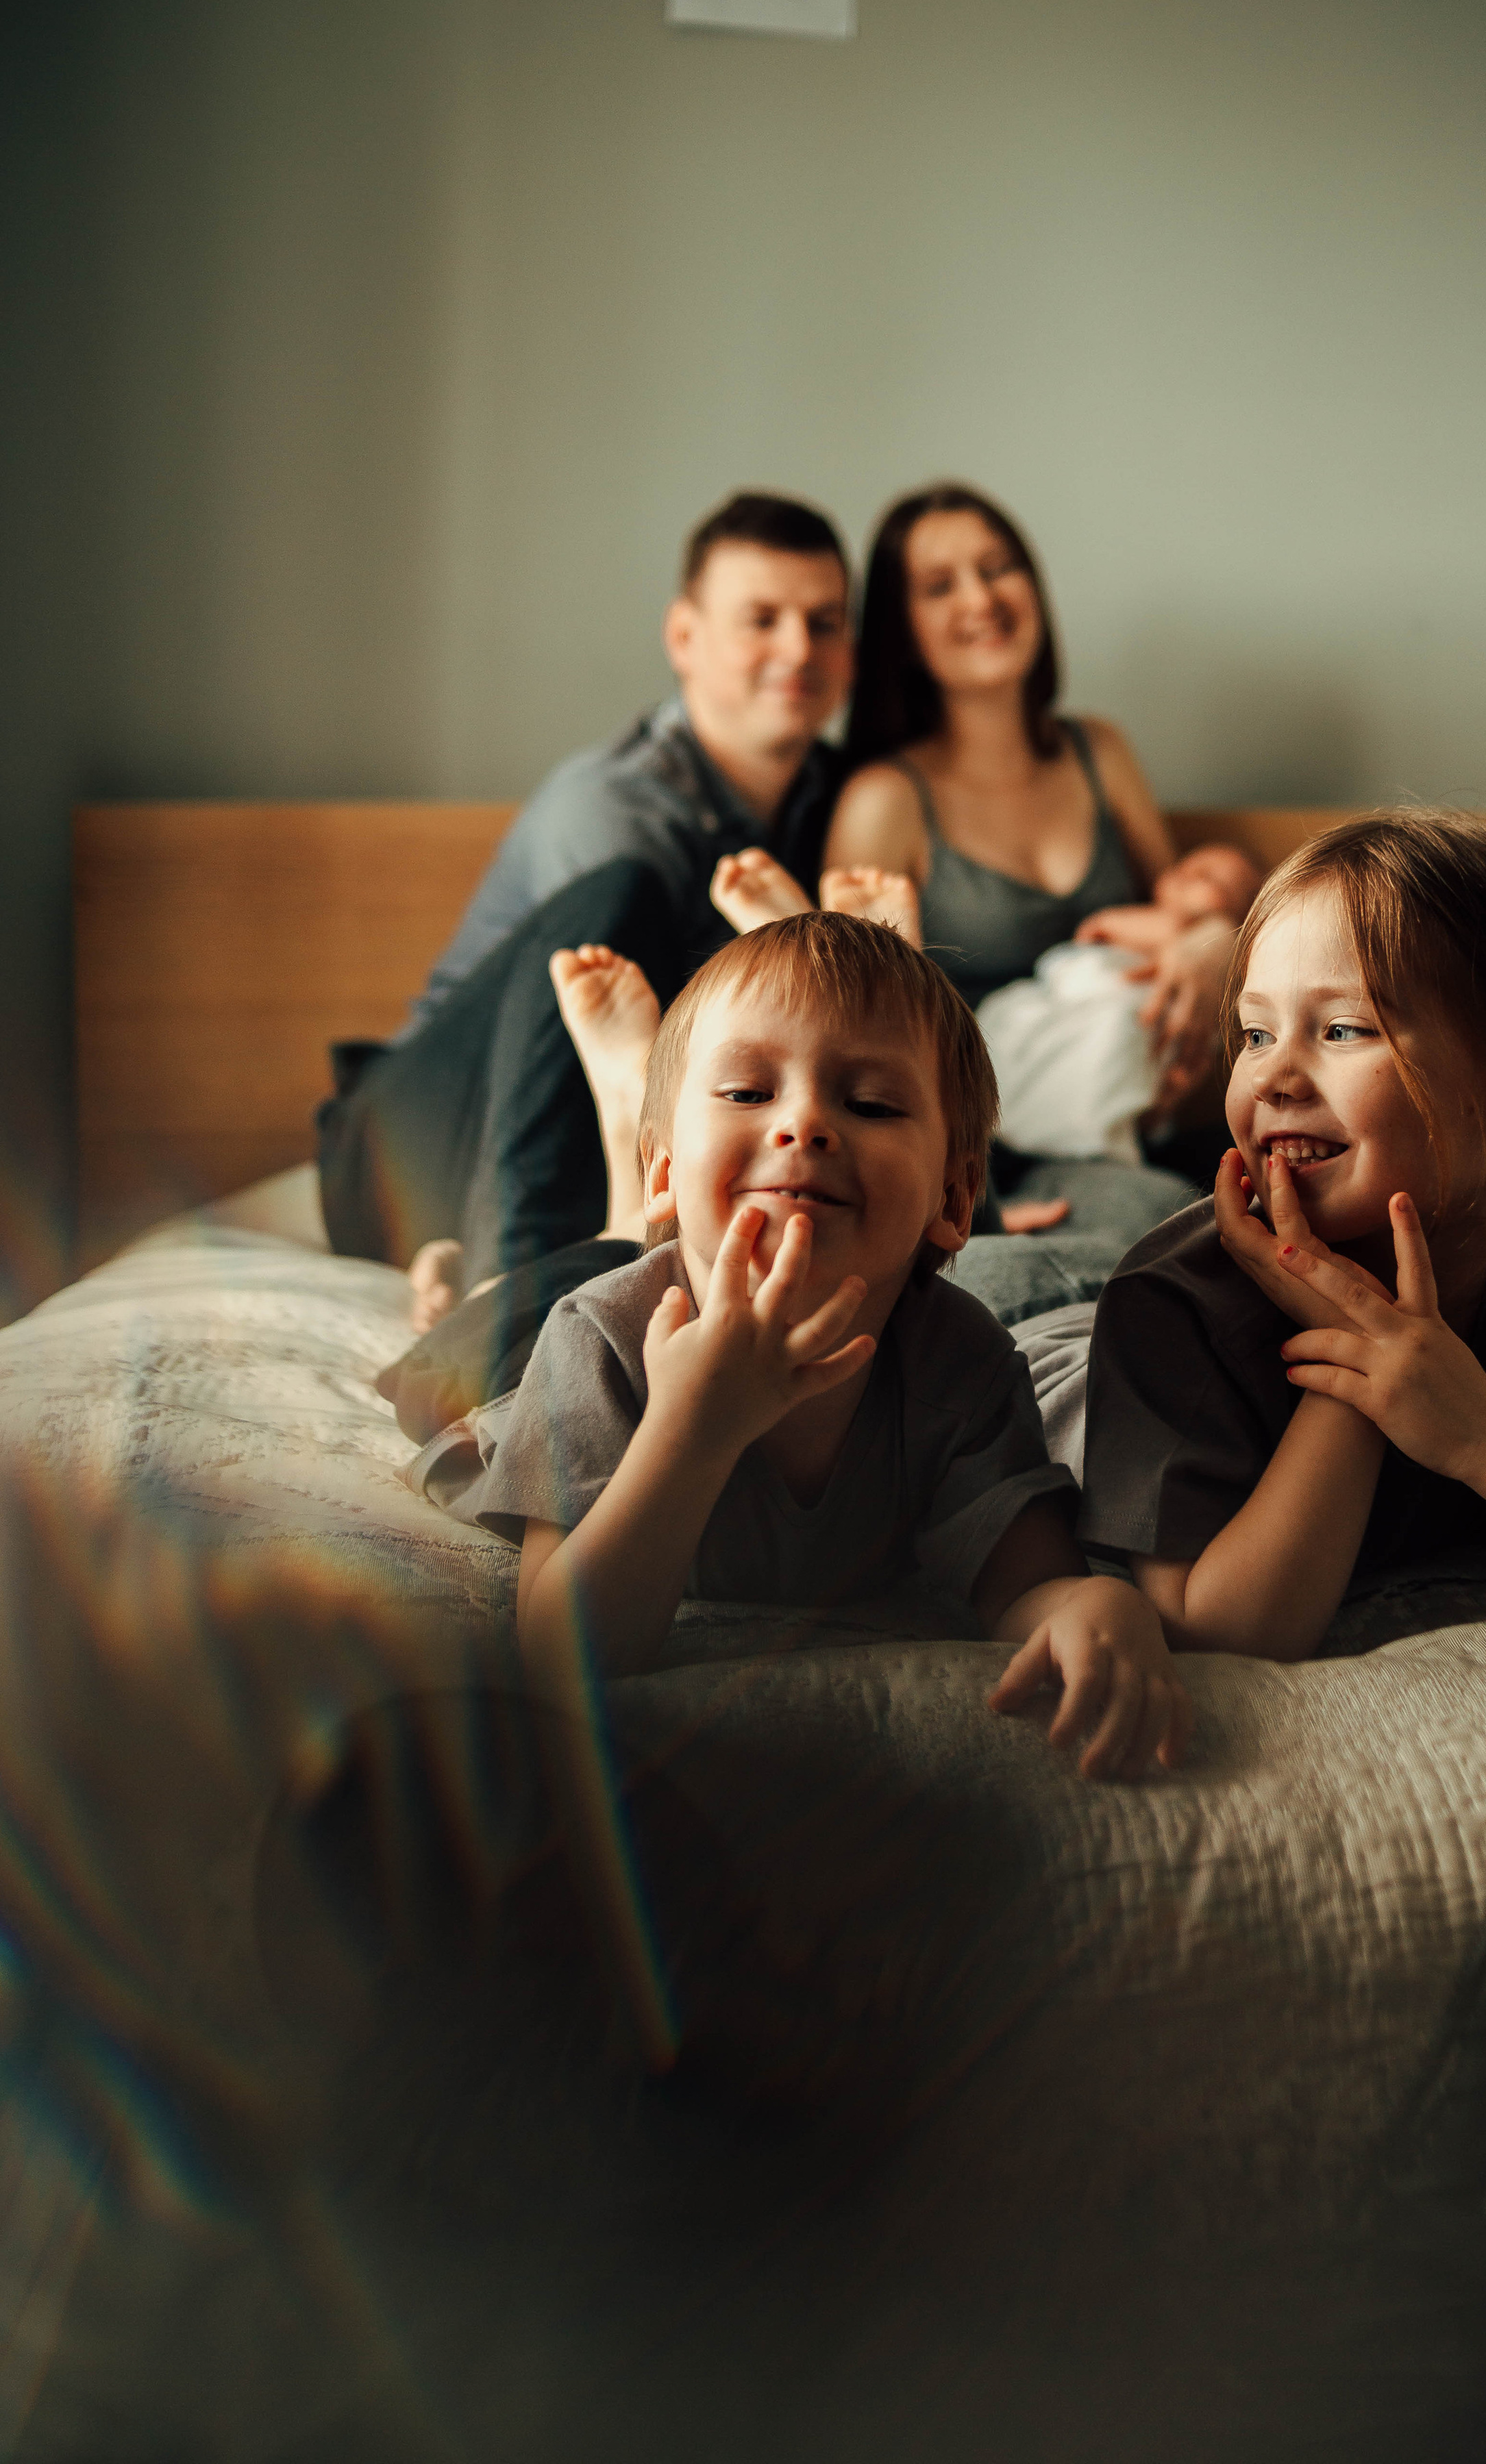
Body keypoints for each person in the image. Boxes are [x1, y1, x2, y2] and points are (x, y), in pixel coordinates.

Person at [420, 912, 1188, 1781]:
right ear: (666, 1175)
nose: (806, 1125)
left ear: (957, 1198)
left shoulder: (960, 1362)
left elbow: (1026, 1583)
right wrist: (694, 1429)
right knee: (459, 1346)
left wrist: (1097, 1605)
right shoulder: (601, 1337)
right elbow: (565, 1654)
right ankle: (508, 1247)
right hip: (504, 1368)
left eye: (870, 1104)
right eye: (748, 1093)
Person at [1078, 811, 1486, 1658]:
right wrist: (1358, 1358)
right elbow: (1219, 1632)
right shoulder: (1172, 1305)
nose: (1274, 1076)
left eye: (1341, 1030)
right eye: (1255, 1033)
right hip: (1065, 1348)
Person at [317, 490, 855, 1310]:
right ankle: (505, 1293)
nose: (798, 648)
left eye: (824, 622)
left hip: (586, 1135)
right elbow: (613, 1049)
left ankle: (496, 1256)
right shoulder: (613, 803)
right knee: (620, 911)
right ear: (685, 637)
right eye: (762, 619)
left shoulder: (845, 800)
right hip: (403, 1142)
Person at [820, 484, 1261, 1147]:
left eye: (999, 568)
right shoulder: (885, 801)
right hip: (967, 1141)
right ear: (901, 630)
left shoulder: (1100, 753)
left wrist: (1214, 943)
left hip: (1121, 1106)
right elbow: (847, 1032)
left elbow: (1178, 905)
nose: (982, 599)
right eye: (940, 586)